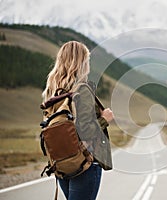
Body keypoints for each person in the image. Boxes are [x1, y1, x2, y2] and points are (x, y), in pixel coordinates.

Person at [42, 41, 113, 200]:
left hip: (62, 162)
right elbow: (86, 131)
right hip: (85, 163)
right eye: (87, 60)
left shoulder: (53, 91)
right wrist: (104, 119)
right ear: (80, 63)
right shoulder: (82, 89)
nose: (88, 65)